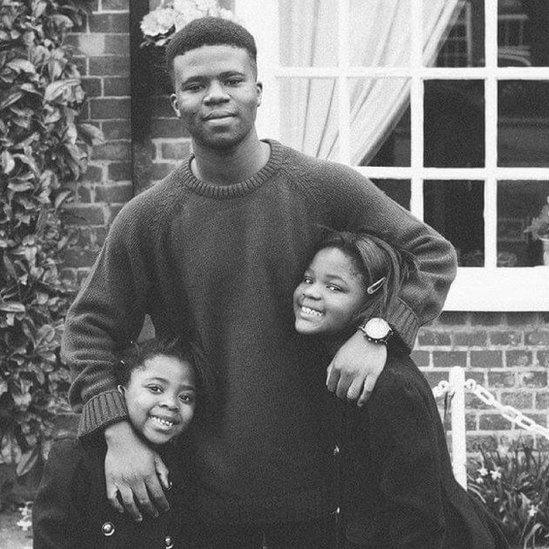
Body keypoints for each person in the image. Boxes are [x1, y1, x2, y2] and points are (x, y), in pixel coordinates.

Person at [62, 16, 458, 547]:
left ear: (258, 90)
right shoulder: (149, 218)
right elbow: (90, 329)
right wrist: (117, 435)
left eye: (232, 80)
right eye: (196, 86)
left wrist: (379, 332)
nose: (216, 96)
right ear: (176, 102)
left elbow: (432, 254)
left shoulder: (321, 186)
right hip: (201, 502)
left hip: (330, 500)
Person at [293, 229, 509, 549]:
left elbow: (418, 518)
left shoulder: (391, 387)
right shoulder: (325, 361)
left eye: (335, 287)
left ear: (371, 299)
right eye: (308, 279)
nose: (311, 292)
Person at [33, 338, 200, 548]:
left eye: (185, 397)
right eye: (156, 388)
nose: (171, 403)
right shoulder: (75, 458)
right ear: (122, 393)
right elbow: (51, 538)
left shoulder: (184, 462)